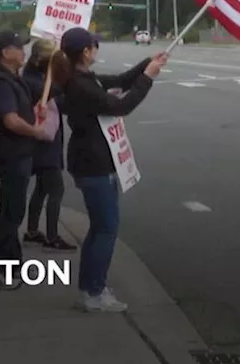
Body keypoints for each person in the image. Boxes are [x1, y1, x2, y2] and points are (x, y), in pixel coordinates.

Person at [50, 27, 167, 313]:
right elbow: (121, 105)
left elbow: (119, 81)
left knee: (101, 228)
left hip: (96, 160)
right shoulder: (80, 85)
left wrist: (146, 63)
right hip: (94, 164)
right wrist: (148, 78)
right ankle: (93, 292)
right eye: (94, 46)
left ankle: (92, 286)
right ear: (86, 52)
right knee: (106, 228)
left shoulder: (82, 79)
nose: (96, 50)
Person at [0, 31, 54, 289]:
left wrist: (38, 109)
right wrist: (35, 131)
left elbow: (23, 108)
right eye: (19, 48)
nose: (24, 51)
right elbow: (10, 120)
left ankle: (11, 263)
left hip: (19, 154)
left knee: (14, 212)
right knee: (11, 214)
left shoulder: (14, 80)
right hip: (10, 155)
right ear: (5, 53)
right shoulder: (1, 83)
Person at [23, 38, 76, 252]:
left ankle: (32, 231)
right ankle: (52, 237)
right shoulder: (36, 83)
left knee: (43, 188)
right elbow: (62, 94)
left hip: (46, 141)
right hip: (42, 143)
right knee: (56, 189)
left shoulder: (37, 78)